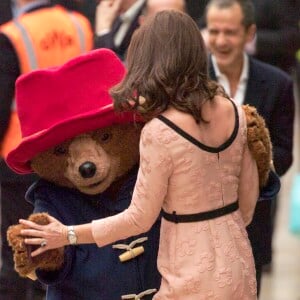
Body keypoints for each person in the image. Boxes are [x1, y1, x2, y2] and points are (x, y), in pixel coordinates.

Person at [16, 10, 260, 299]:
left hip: (187, 273)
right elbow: (246, 207)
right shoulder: (236, 112)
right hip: (237, 263)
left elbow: (137, 220)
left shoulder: (158, 131)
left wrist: (67, 235)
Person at [0, 1, 93, 299]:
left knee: (18, 252)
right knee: (63, 244)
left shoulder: (12, 34)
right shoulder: (80, 25)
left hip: (19, 159)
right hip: (73, 157)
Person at [204, 0, 295, 295]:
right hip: (197, 224)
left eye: (229, 32)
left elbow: (284, 154)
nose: (220, 41)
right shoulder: (190, 82)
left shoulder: (277, 84)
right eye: (214, 31)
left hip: (252, 224)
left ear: (249, 33)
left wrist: (248, 167)